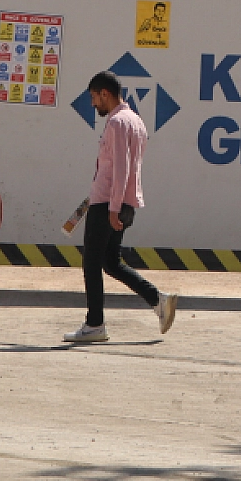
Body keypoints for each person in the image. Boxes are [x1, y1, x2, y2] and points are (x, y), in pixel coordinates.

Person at [64, 71, 178, 343]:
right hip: (122, 202)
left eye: (94, 97)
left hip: (109, 205)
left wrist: (112, 208)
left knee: (92, 262)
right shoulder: (136, 121)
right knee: (110, 262)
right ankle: (158, 300)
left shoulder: (116, 123)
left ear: (105, 93)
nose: (93, 104)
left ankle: (95, 324)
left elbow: (121, 168)